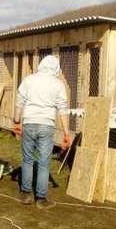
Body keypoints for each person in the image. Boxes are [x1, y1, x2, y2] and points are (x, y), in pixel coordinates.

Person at [14, 55, 70, 209]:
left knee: (27, 159)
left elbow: (20, 101)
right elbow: (63, 109)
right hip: (47, 125)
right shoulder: (58, 84)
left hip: (30, 122)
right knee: (44, 163)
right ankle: (41, 199)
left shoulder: (29, 80)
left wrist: (17, 121)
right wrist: (66, 133)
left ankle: (25, 193)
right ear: (56, 68)